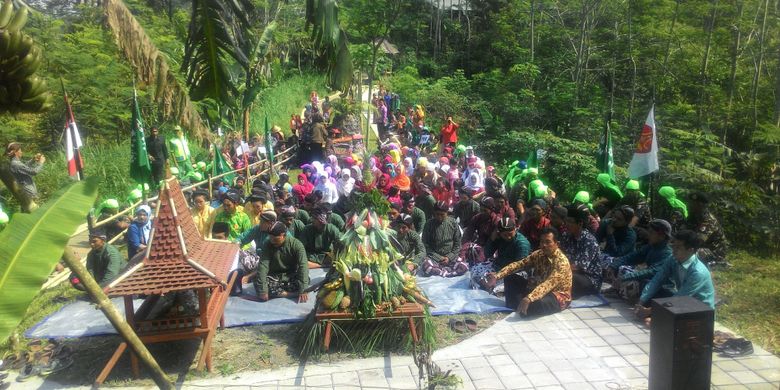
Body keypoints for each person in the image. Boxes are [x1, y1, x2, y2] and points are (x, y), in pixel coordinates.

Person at [484, 228, 572, 317]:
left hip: (556, 295)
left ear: (557, 244)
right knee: (510, 278)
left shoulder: (561, 262)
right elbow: (519, 264)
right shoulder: (538, 254)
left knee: (539, 303)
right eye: (541, 242)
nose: (544, 245)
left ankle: (523, 305)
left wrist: (529, 298)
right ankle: (521, 305)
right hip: (537, 288)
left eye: (548, 242)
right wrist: (497, 276)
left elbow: (548, 284)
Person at [634, 230, 716, 323]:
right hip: (684, 302)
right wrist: (641, 302)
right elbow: (657, 280)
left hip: (700, 311)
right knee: (654, 289)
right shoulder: (672, 259)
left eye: (678, 247)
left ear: (691, 250)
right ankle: (657, 317)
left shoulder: (698, 272)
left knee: (656, 321)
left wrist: (649, 311)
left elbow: (680, 298)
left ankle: (658, 319)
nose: (673, 250)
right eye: (673, 246)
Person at [607, 219, 674, 300]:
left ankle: (626, 295)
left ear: (662, 236)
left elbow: (651, 272)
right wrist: (613, 265)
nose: (649, 235)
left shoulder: (667, 254)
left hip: (661, 287)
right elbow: (632, 257)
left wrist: (626, 277)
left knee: (637, 281)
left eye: (652, 233)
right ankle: (617, 289)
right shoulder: (651, 247)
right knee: (622, 268)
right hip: (649, 279)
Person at [253, 222, 309, 303]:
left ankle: (281, 293)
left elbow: (303, 266)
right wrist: (263, 291)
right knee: (257, 281)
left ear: (284, 235)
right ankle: (290, 294)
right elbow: (263, 266)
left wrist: (303, 289)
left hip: (290, 276)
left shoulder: (296, 245)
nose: (272, 242)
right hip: (273, 277)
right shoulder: (267, 244)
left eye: (276, 239)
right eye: (271, 238)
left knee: (306, 279)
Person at [472, 217, 531, 291]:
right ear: (499, 233)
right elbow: (487, 254)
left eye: (510, 234)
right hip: (498, 266)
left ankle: (488, 285)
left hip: (512, 271)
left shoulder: (522, 243)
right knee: (475, 269)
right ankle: (486, 284)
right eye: (505, 235)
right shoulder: (499, 238)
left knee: (508, 285)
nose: (508, 237)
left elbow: (519, 266)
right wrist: (492, 239)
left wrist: (499, 275)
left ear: (515, 230)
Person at [560, 205, 603, 298]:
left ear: (580, 224)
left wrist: (558, 270)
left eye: (570, 222)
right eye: (566, 221)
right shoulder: (566, 236)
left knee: (567, 277)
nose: (566, 224)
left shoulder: (589, 240)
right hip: (569, 271)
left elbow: (580, 266)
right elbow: (559, 255)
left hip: (589, 278)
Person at [681, 192, 728, 267]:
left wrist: (681, 247)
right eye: (689, 203)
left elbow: (698, 241)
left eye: (693, 204)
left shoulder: (709, 220)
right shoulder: (692, 218)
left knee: (686, 252)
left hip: (714, 251)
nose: (689, 205)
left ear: (701, 205)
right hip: (698, 247)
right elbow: (681, 234)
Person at [421, 202, 467, 277]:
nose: (439, 217)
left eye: (442, 215)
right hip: (434, 257)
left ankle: (441, 271)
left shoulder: (453, 223)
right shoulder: (429, 224)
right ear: (434, 213)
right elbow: (425, 245)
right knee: (426, 267)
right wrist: (439, 257)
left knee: (463, 267)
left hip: (451, 257)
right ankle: (444, 271)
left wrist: (449, 257)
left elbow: (457, 243)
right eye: (437, 214)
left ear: (447, 213)